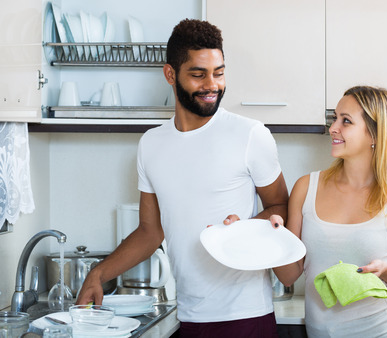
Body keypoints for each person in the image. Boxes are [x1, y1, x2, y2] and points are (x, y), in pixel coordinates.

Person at [77, 19, 288, 338]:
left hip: (246, 317)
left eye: (218, 72)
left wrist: (246, 229)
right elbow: (151, 230)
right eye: (198, 74)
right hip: (187, 316)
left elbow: (280, 205)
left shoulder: (249, 135)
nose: (212, 85)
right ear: (170, 74)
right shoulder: (151, 144)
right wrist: (98, 273)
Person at [271, 86, 387, 338]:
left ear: (376, 134)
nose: (333, 128)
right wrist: (276, 238)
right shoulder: (306, 188)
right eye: (334, 118)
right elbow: (289, 275)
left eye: (346, 121)